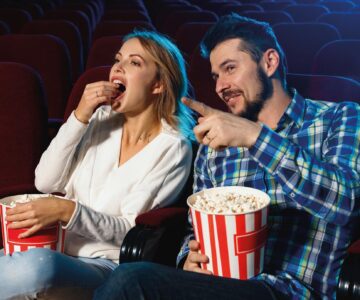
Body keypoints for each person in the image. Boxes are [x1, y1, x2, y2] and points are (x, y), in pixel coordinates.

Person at [93, 14, 360, 300]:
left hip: (291, 290)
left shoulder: (339, 117)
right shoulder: (214, 145)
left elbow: (346, 202)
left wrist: (255, 138)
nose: (220, 86)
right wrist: (188, 258)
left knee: (131, 281)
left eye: (230, 68)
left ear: (269, 62)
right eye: (215, 76)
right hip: (221, 286)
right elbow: (196, 227)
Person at [0, 30, 195, 299]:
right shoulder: (100, 118)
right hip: (52, 247)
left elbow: (130, 230)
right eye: (118, 59)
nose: (118, 66)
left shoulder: (173, 147)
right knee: (28, 266)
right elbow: (45, 181)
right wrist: (80, 116)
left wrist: (67, 211)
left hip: (103, 265)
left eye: (134, 62)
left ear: (158, 84)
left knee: (36, 269)